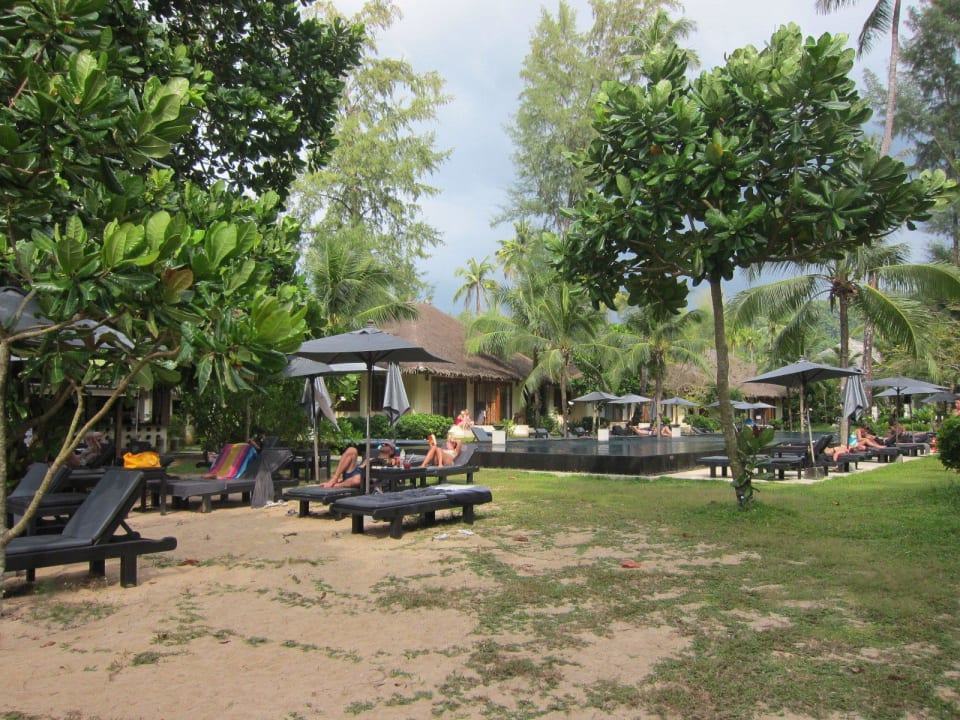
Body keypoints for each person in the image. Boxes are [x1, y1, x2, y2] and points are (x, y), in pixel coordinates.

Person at [320, 442, 398, 488]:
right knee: (352, 450)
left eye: (387, 445)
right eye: (383, 444)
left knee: (358, 479)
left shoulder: (390, 460)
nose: (384, 444)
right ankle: (335, 478)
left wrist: (393, 461)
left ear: (391, 451)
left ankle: (336, 485)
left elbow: (394, 464)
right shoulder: (372, 456)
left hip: (362, 478)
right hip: (354, 471)